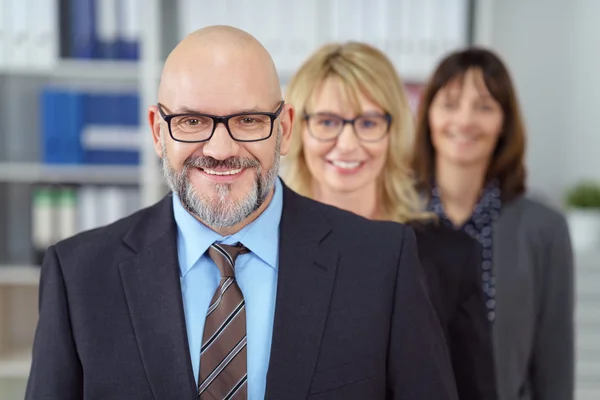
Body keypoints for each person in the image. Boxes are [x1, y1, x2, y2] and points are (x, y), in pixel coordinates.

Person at [25, 26, 458, 400]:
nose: (220, 149)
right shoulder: (79, 275)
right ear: (158, 131)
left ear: (284, 129)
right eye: (192, 121)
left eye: (248, 120)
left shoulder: (382, 262)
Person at [281, 41, 497, 400]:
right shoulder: (265, 250)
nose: (347, 143)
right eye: (328, 121)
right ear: (296, 128)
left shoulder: (450, 257)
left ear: (393, 130)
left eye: (368, 122)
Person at [411, 47, 574, 400]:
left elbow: (554, 360)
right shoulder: (395, 218)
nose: (465, 120)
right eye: (450, 104)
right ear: (428, 116)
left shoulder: (544, 229)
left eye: (484, 106)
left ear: (504, 122)